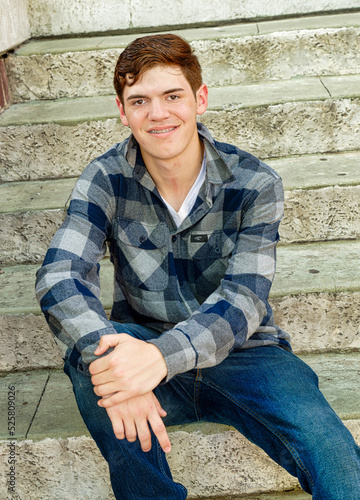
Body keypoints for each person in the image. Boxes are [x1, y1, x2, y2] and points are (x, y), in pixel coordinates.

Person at [35, 34, 360, 499]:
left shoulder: (254, 182)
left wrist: (159, 359)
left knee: (334, 455)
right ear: (122, 112)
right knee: (93, 366)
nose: (159, 113)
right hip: (140, 340)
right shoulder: (105, 178)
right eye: (140, 101)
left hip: (245, 353)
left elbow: (244, 301)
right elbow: (59, 275)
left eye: (173, 96)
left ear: (200, 98)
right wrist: (118, 361)